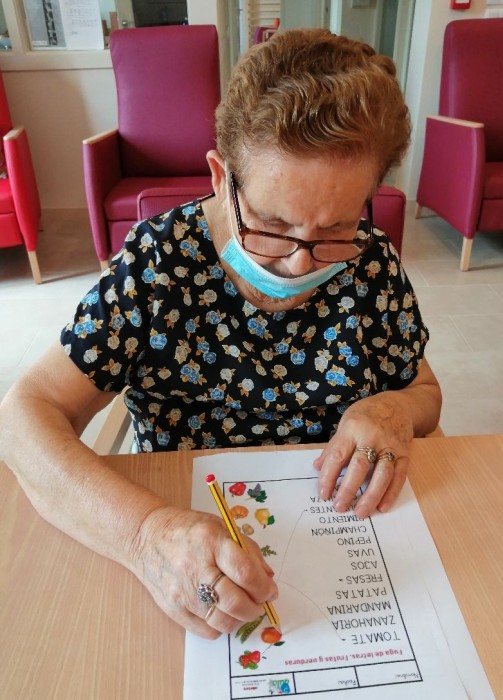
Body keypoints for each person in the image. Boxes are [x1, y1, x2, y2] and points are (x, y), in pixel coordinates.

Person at [0, 28, 441, 640]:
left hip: (334, 526)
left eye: (336, 229)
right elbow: (23, 415)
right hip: (183, 531)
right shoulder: (158, 264)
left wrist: (393, 408)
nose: (299, 263)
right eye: (272, 224)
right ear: (220, 176)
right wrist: (145, 536)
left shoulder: (371, 264)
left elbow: (424, 393)